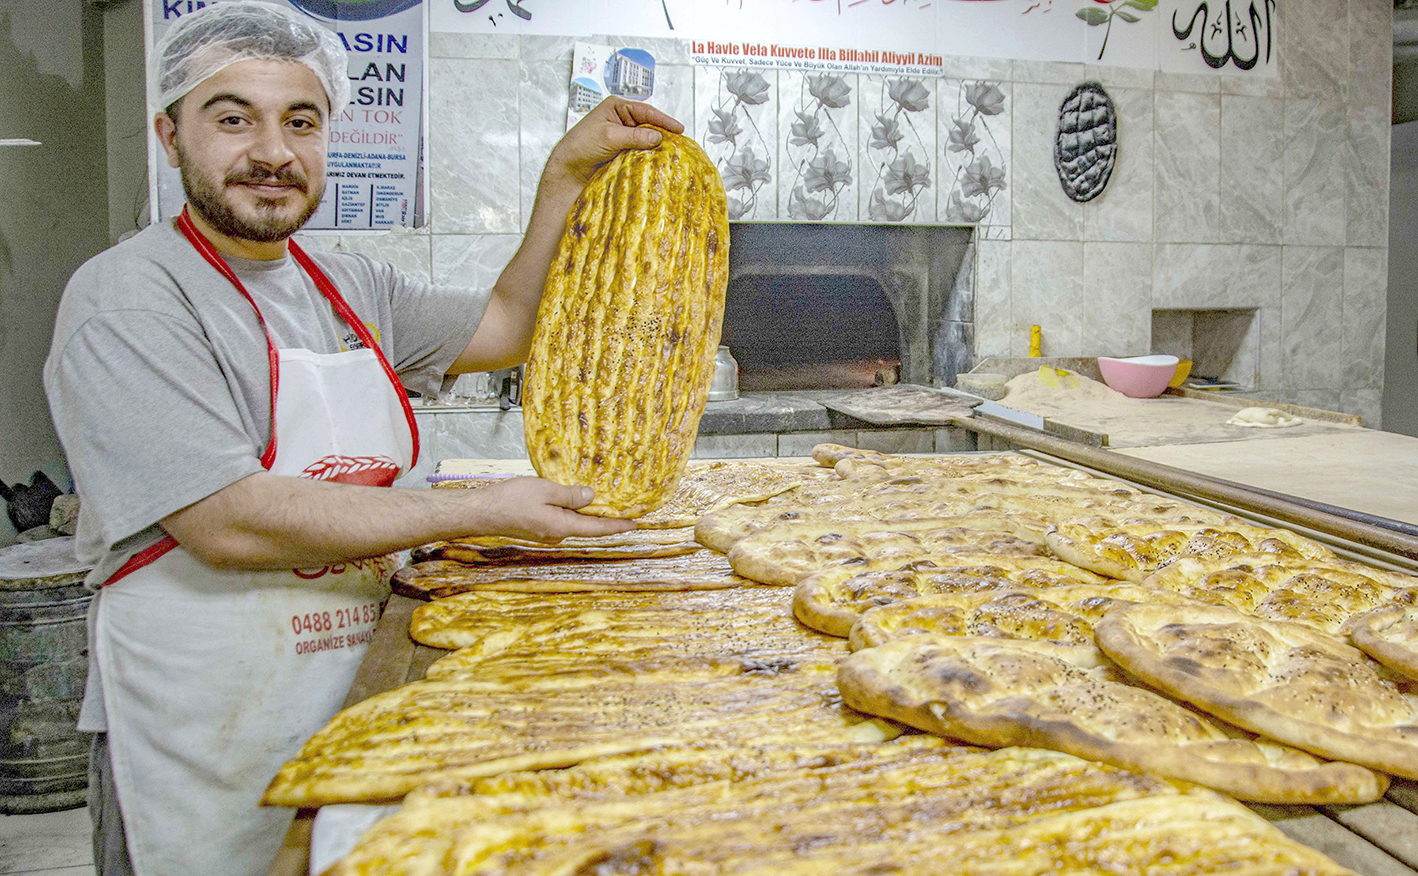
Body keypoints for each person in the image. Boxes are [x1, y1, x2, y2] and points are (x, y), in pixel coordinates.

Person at [42, 3, 683, 874]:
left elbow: (510, 323)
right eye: (232, 119)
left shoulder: (347, 284)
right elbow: (229, 521)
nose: (272, 151)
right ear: (169, 133)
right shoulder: (129, 299)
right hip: (201, 712)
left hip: (353, 685)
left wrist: (564, 177)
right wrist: (482, 508)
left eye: (300, 121)